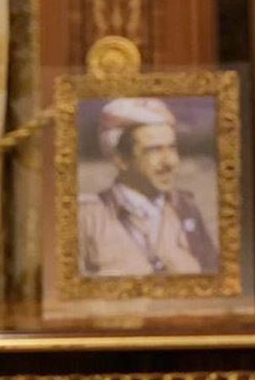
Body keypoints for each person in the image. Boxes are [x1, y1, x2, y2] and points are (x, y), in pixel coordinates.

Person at [78, 98, 219, 276]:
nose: (170, 162)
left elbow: (213, 277)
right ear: (120, 159)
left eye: (172, 148)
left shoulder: (186, 208)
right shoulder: (87, 218)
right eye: (154, 150)